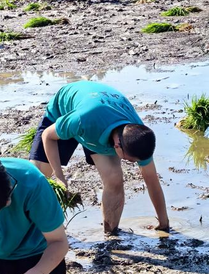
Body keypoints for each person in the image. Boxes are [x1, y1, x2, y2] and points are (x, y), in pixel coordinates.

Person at [29, 81, 169, 236]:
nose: (133, 163)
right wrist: (60, 176)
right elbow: (48, 136)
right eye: (130, 160)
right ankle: (32, 234)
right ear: (117, 146)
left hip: (100, 124)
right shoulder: (83, 119)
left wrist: (164, 223)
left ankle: (110, 234)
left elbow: (151, 180)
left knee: (114, 178)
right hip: (66, 113)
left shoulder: (139, 135)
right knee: (35, 180)